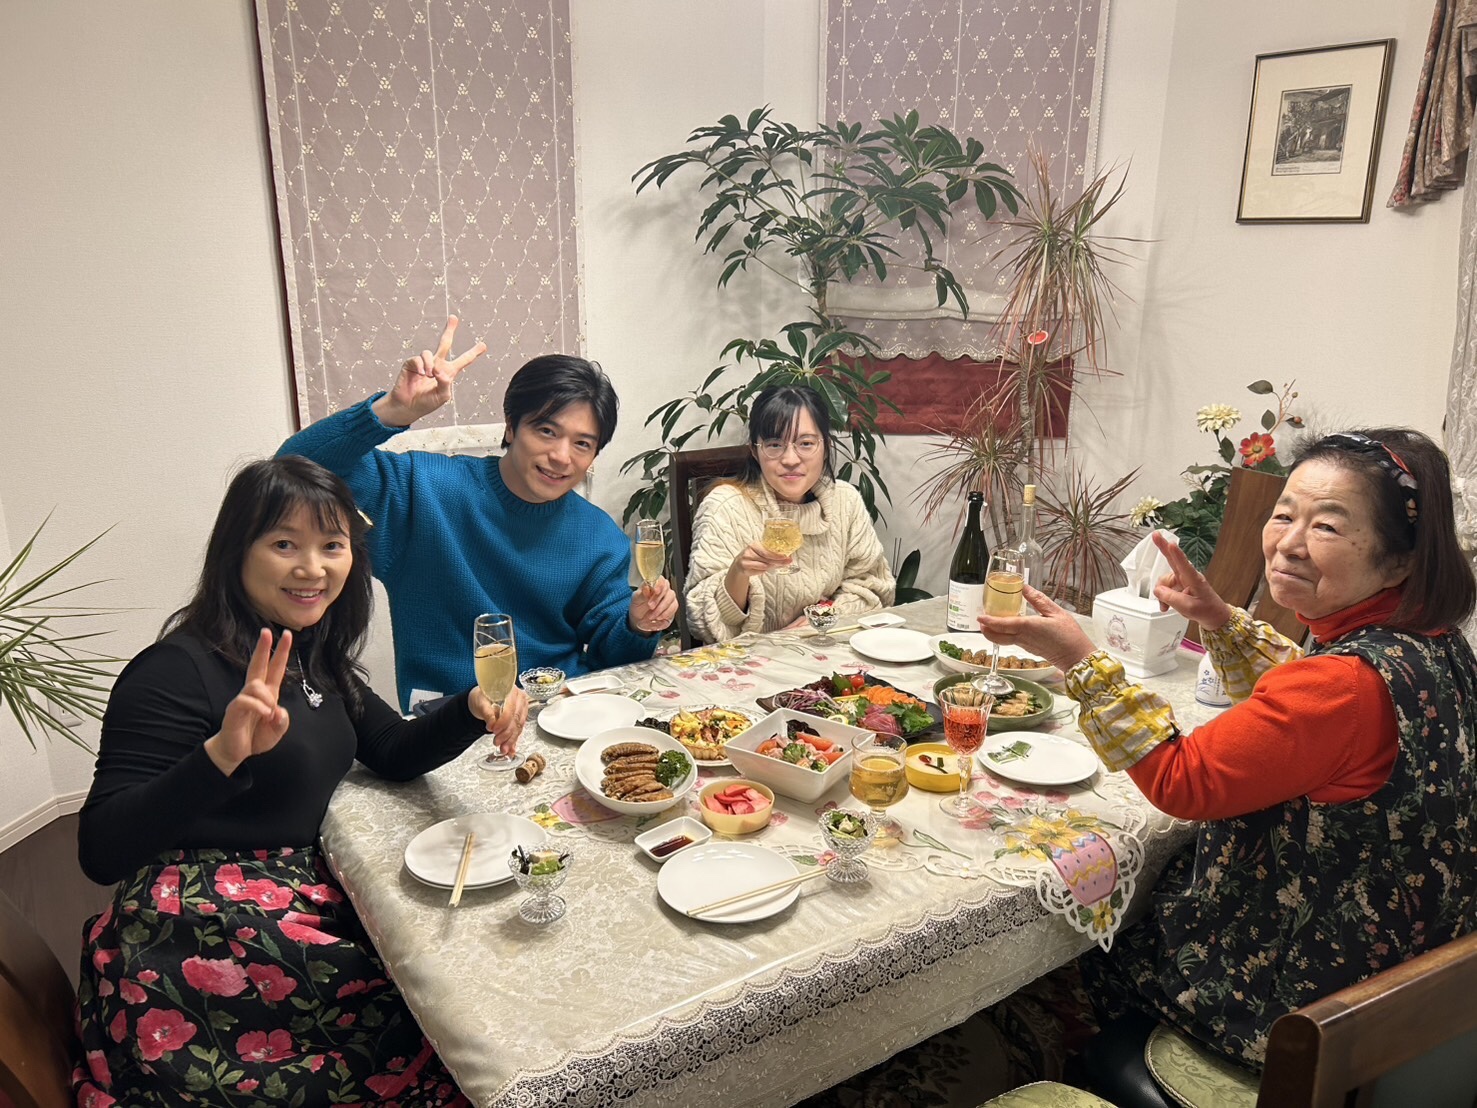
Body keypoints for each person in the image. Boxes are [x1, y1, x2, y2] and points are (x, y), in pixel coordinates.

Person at [980, 428, 1477, 1083]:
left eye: (1327, 526)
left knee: (1058, 945)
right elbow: (1306, 717)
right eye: (1284, 515)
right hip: (1392, 986)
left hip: (1283, 1000)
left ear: (1399, 561)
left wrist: (1079, 658)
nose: (1288, 542)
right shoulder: (1436, 646)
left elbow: (1182, 781)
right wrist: (1217, 617)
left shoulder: (1344, 685)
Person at [74, 456, 519, 1106]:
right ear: (237, 551)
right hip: (199, 936)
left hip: (295, 898)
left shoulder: (313, 654)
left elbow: (392, 749)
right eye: (285, 544)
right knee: (447, 1023)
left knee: (457, 978)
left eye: (331, 545)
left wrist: (473, 707)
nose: (312, 568)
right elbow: (100, 850)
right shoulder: (174, 669)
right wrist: (220, 756)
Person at [279, 317, 677, 710]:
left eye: (582, 444)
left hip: (555, 711)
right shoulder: (423, 490)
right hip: (448, 718)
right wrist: (391, 411)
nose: (561, 456)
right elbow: (292, 471)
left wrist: (638, 625)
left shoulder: (598, 536)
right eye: (547, 431)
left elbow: (613, 657)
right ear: (511, 427)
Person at [684, 384, 895, 643]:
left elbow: (874, 589)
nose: (791, 459)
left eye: (806, 443)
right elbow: (702, 619)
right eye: (775, 445)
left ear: (826, 447)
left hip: (825, 650)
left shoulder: (845, 501)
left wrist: (822, 616)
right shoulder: (725, 506)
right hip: (751, 659)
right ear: (755, 451)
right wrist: (738, 573)